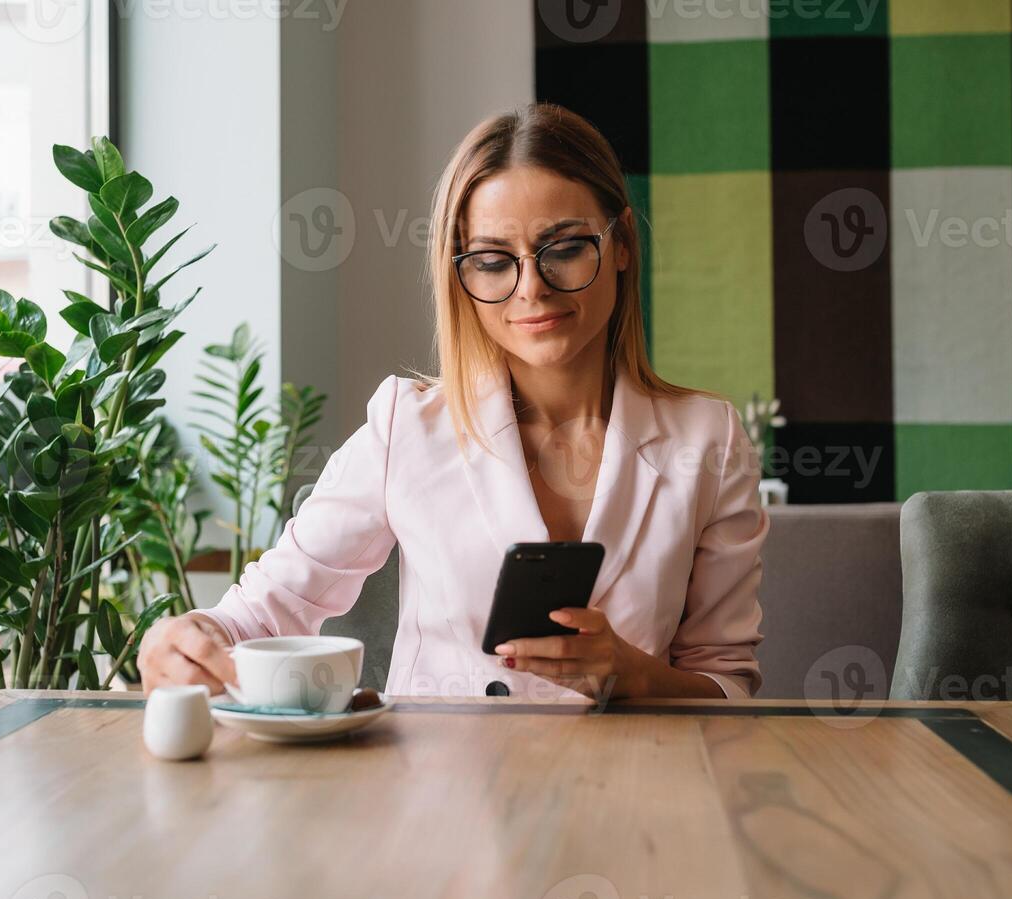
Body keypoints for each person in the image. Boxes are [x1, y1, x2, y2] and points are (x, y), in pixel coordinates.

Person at [138, 102, 768, 702]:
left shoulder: (708, 440)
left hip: (631, 792)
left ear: (622, 243)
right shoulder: (405, 427)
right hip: (440, 796)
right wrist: (188, 640)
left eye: (565, 249)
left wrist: (632, 675)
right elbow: (266, 609)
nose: (532, 290)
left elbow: (729, 686)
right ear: (459, 273)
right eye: (494, 261)